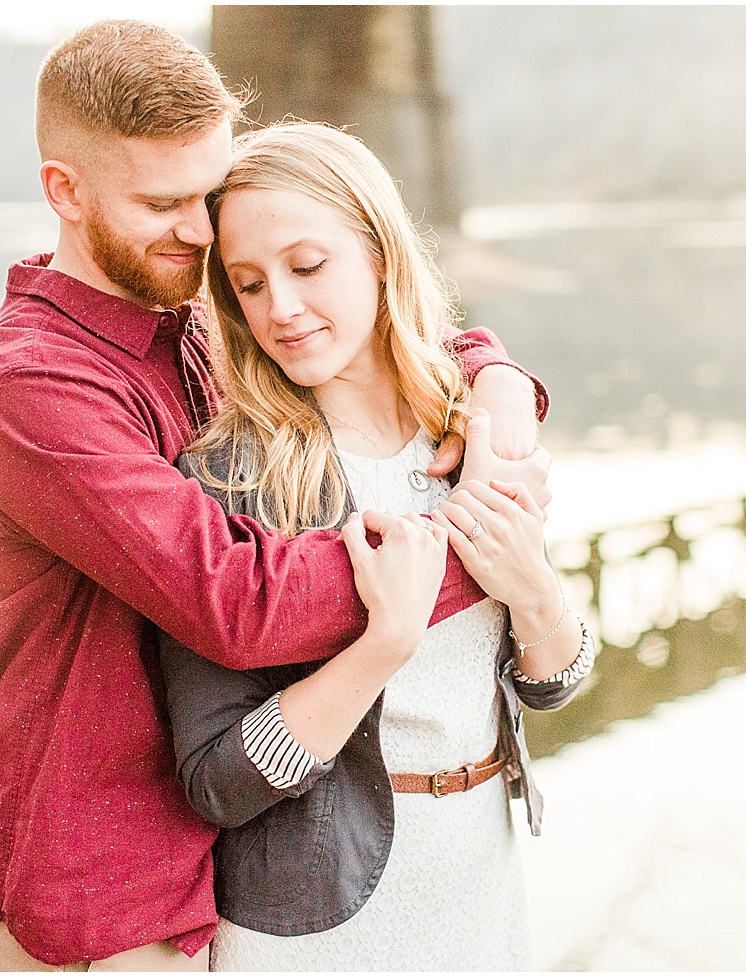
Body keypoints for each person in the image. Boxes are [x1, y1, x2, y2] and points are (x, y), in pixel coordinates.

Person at [0, 20, 552, 972]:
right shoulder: (32, 389)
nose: (199, 227)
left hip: (205, 876)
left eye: (208, 193)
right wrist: (488, 534)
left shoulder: (185, 321)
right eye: (164, 200)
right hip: (93, 893)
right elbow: (239, 600)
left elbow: (369, 327)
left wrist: (495, 375)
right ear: (64, 190)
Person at [157, 122, 594, 971]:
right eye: (248, 284)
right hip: (317, 915)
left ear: (381, 254)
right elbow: (214, 777)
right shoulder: (230, 477)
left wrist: (534, 591)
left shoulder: (470, 433)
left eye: (307, 265)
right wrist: (381, 646)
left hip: (481, 877)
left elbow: (555, 684)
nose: (280, 307)